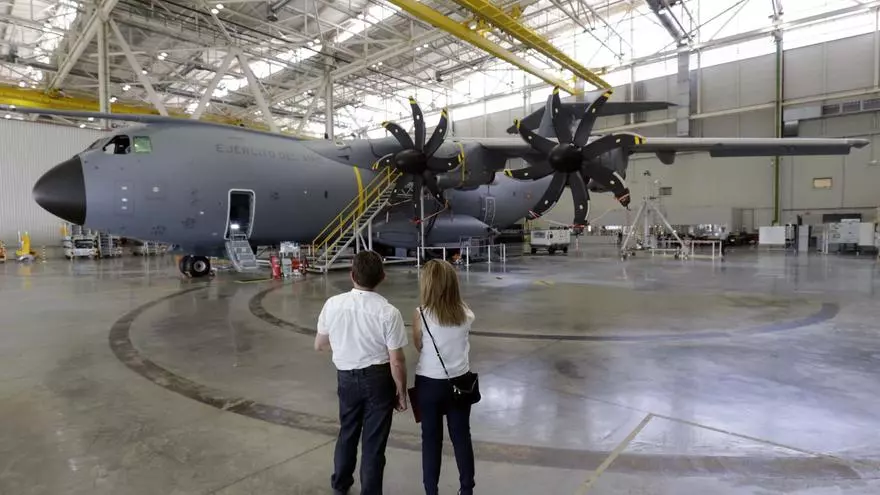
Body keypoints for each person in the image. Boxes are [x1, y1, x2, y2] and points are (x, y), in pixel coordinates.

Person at [315, 250, 408, 495]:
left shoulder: (333, 304)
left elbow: (320, 344)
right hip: (379, 380)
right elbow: (396, 360)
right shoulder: (389, 312)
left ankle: (340, 484)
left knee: (347, 432)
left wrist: (345, 346)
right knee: (374, 444)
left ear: (352, 275)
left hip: (346, 378)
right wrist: (401, 392)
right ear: (383, 277)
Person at [412, 259, 476, 495]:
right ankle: (466, 489)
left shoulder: (421, 314)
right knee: (461, 437)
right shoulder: (466, 314)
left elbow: (418, 345)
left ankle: (431, 490)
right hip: (461, 383)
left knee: (431, 440)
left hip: (429, 384)